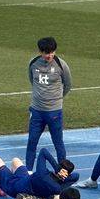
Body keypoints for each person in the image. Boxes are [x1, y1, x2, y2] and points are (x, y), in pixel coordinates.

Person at [26, 37, 72, 171]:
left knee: (58, 143)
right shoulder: (33, 63)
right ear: (40, 52)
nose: (50, 55)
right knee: (32, 142)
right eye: (47, 53)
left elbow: (68, 84)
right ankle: (28, 172)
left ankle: (63, 173)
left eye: (52, 52)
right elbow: (32, 80)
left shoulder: (61, 65)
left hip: (54, 111)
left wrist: (56, 99)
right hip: (37, 111)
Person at [0, 149, 78, 199]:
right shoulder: (58, 186)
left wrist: (56, 167)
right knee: (15, 161)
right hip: (26, 179)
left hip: (14, 187)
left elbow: (43, 151)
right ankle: (1, 190)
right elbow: (76, 176)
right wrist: (64, 176)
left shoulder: (42, 174)